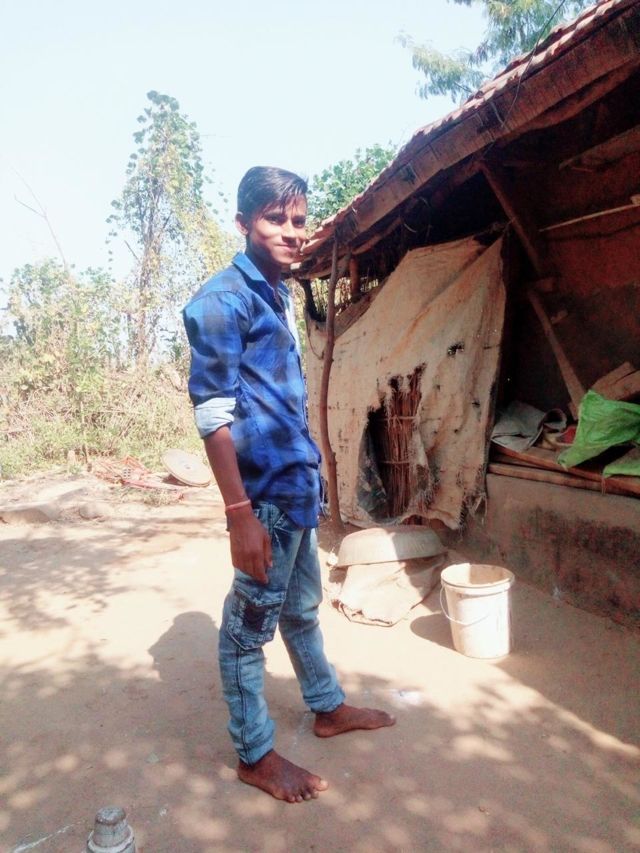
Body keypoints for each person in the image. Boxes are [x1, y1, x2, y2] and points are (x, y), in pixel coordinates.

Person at [182, 166, 395, 804]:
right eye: (275, 218)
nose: (291, 232)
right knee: (246, 632)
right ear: (243, 223)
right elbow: (212, 414)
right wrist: (238, 513)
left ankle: (326, 707)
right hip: (265, 499)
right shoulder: (223, 300)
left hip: (296, 492)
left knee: (301, 609)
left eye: (298, 220)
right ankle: (254, 755)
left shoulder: (274, 295)